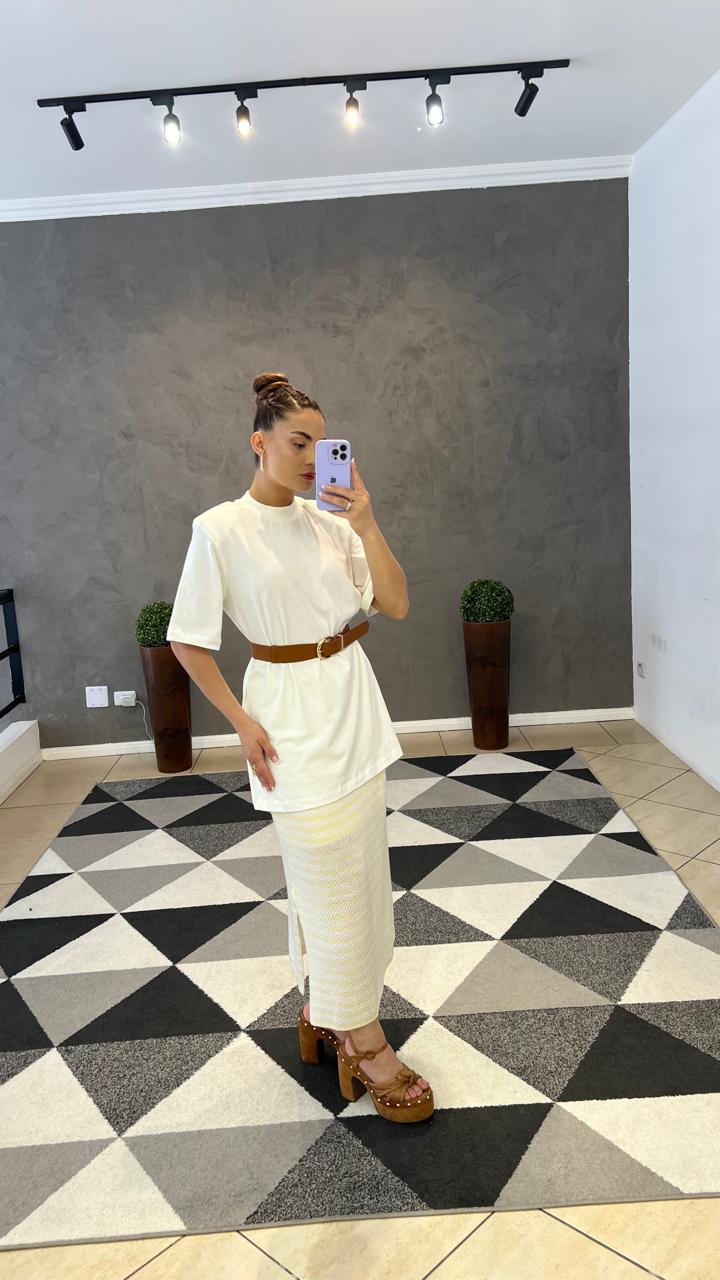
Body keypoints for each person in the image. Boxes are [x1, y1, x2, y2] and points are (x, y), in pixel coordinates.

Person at [167, 371, 433, 1121]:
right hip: (285, 715)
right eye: (297, 442)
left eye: (322, 442)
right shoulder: (221, 529)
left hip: (352, 703)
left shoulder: (333, 521)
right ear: (259, 443)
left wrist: (368, 523)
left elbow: (397, 603)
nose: (314, 457)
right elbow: (187, 640)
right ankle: (362, 1038)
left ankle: (325, 1009)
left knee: (363, 875)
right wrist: (240, 721)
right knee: (325, 878)